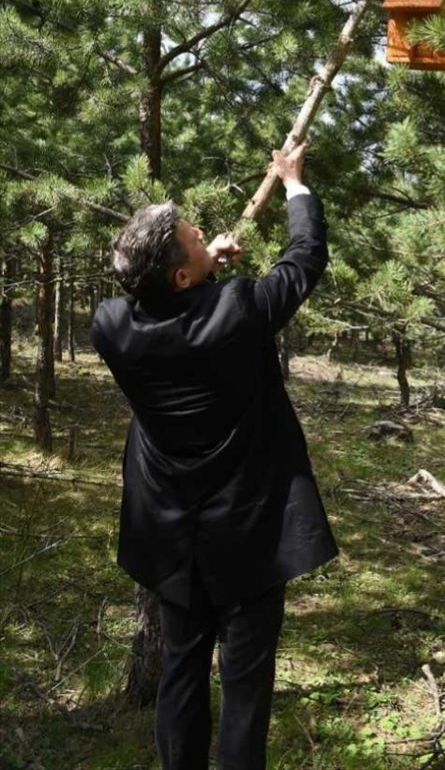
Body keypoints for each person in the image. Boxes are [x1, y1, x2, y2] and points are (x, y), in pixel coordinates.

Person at [92, 143, 337, 770]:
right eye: (190, 237)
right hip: (249, 531)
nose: (201, 231)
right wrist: (293, 184)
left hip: (169, 533)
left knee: (181, 671)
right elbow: (304, 258)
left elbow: (169, 310)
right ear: (179, 275)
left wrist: (202, 271)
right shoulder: (239, 308)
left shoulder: (111, 325)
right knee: (246, 683)